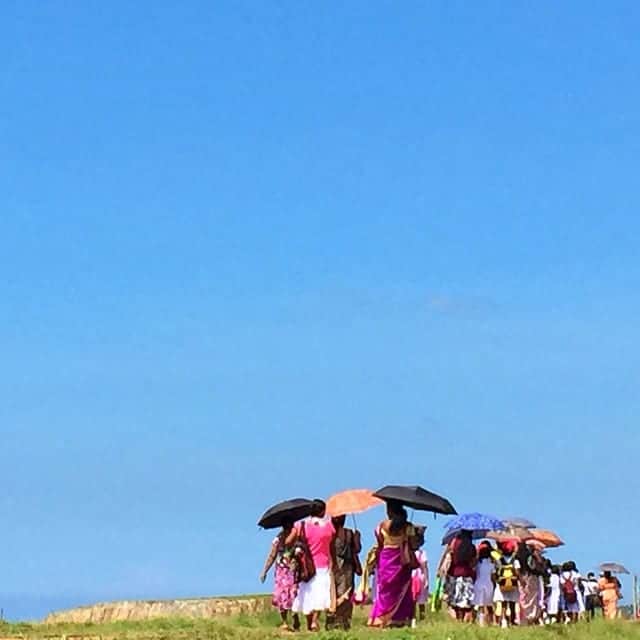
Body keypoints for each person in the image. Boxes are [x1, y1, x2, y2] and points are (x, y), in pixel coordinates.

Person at [368, 501, 417, 628]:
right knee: (402, 589)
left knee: (385, 590)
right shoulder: (408, 526)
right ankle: (398, 618)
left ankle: (380, 617)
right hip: (401, 559)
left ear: (389, 511)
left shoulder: (381, 526)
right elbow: (412, 544)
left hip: (385, 559)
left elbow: (379, 544)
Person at [289, 499, 336, 632]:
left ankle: (310, 622)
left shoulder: (301, 525)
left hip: (306, 566)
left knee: (307, 594)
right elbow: (331, 547)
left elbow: (290, 541)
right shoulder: (328, 526)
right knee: (320, 594)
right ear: (322, 511)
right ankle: (315, 621)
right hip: (323, 564)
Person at [260, 517, 299, 631]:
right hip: (289, 569)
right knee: (291, 594)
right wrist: (265, 570)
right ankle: (292, 619)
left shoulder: (279, 538)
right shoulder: (296, 536)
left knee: (284, 595)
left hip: (283, 570)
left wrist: (265, 571)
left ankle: (286, 621)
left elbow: (272, 556)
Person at [326, 515, 361, 630]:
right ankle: (343, 620)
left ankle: (331, 618)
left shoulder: (327, 533)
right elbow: (357, 549)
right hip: (346, 567)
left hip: (331, 566)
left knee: (331, 594)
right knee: (345, 594)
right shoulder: (349, 533)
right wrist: (357, 538)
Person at [446, 530, 477, 622]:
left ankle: (458, 619)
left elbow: (450, 557)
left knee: (456, 601)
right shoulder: (471, 547)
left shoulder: (455, 544)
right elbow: (473, 563)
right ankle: (464, 620)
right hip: (467, 575)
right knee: (466, 602)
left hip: (455, 574)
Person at [493, 540, 520, 627]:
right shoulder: (515, 560)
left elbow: (495, 571)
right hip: (512, 583)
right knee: (512, 603)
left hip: (501, 583)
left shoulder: (498, 559)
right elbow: (517, 572)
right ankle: (511, 621)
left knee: (503, 603)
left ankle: (503, 620)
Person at [518, 543, 545, 625]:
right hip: (531, 577)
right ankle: (531, 616)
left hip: (522, 577)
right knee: (532, 598)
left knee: (523, 597)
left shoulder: (518, 556)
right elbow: (534, 568)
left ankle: (524, 616)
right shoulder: (532, 557)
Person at [472, 541, 495, 626]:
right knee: (489, 605)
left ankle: (479, 622)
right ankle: (491, 621)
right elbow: (493, 576)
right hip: (489, 585)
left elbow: (474, 571)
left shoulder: (478, 563)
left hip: (478, 584)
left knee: (479, 605)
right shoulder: (491, 564)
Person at [411, 526, 429, 624]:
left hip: (415, 577)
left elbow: (424, 567)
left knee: (415, 601)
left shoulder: (418, 553)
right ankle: (418, 619)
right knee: (419, 601)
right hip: (418, 577)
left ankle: (415, 619)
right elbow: (425, 567)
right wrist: (426, 579)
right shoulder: (422, 553)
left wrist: (426, 579)